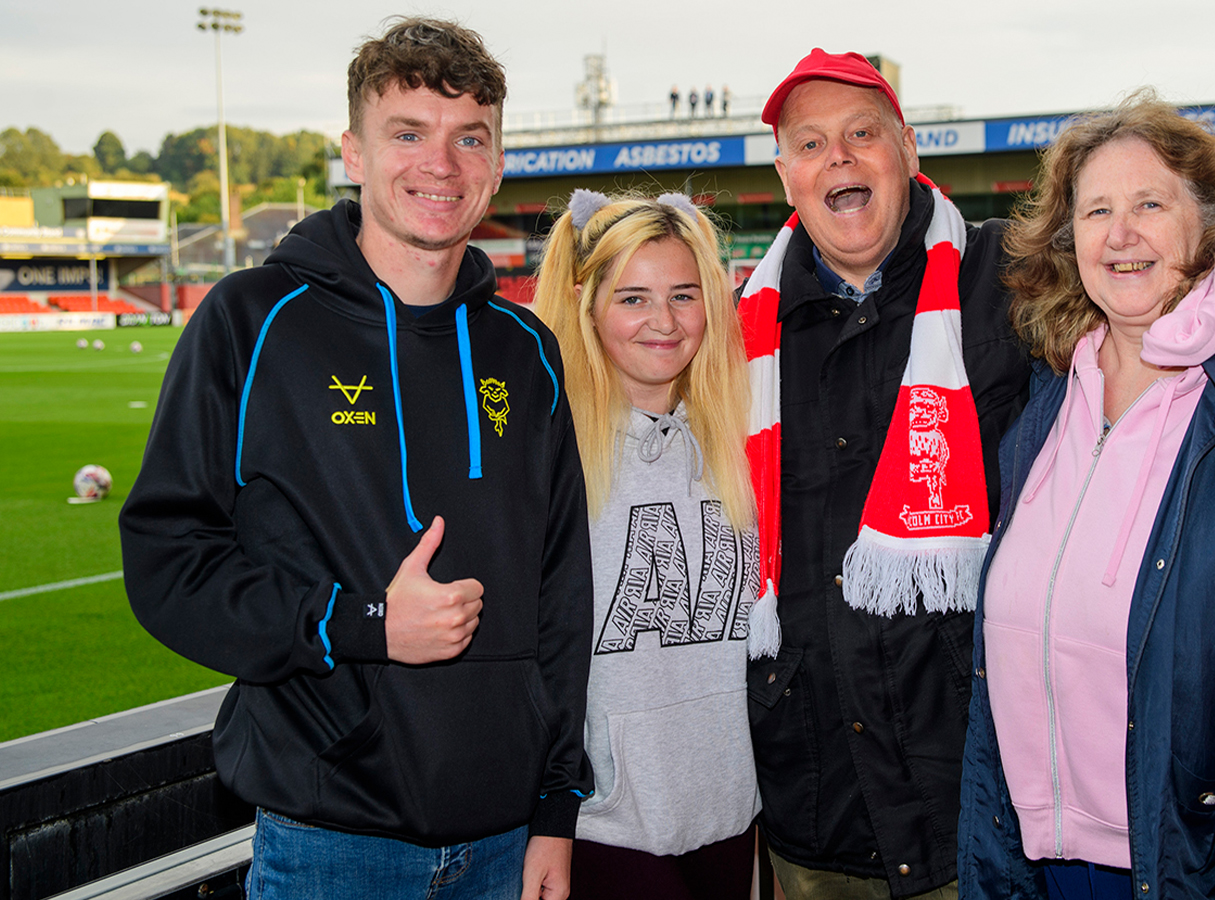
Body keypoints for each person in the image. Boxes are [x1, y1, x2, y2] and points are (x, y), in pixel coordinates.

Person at [739, 48, 1215, 900]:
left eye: (863, 134)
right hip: (828, 804)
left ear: (906, 147)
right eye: (813, 144)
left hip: (967, 814)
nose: (841, 159)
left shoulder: (1000, 284)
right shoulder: (734, 330)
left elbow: (1140, 254)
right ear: (785, 173)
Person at [118, 17, 593, 899]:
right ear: (353, 153)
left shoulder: (529, 351)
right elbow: (164, 562)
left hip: (507, 842)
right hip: (330, 844)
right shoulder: (251, 322)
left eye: (469, 139)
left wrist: (558, 807)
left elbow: (565, 593)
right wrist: (363, 623)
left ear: (497, 162)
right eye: (407, 134)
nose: (440, 165)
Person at [957, 94, 1215, 900]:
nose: (1120, 234)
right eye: (1096, 210)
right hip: (1036, 863)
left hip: (1191, 866)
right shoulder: (1048, 393)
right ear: (1068, 236)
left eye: (1150, 204)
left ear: (1211, 223)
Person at [532, 191, 762, 900]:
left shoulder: (742, 440)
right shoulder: (547, 454)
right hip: (603, 830)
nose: (663, 322)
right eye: (633, 297)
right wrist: (551, 815)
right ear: (586, 305)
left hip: (735, 819)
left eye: (684, 295)